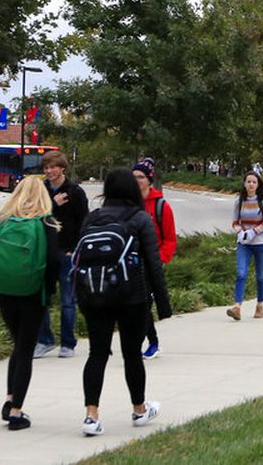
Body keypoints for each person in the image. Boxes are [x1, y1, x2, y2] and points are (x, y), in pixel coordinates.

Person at [77, 168, 171, 437]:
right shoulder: (140, 218)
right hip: (132, 296)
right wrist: (163, 305)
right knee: (132, 354)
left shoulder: (92, 218)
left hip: (94, 295)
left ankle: (91, 415)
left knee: (97, 353)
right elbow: (154, 264)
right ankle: (139, 409)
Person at [0, 175, 60, 430]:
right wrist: (49, 291)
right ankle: (16, 411)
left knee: (17, 345)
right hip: (33, 294)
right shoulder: (47, 223)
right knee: (26, 349)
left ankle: (9, 399)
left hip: (4, 292)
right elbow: (53, 263)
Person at [35, 152, 88, 359]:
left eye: (52, 167)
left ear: (62, 168)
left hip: (67, 252)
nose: (48, 171)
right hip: (44, 252)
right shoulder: (41, 191)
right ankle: (44, 340)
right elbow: (33, 217)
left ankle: (68, 343)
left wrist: (75, 248)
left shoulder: (75, 192)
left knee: (68, 300)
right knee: (41, 299)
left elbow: (84, 222)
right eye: (46, 168)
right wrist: (53, 204)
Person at [133, 159, 176, 359]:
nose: (137, 181)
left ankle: (148, 342)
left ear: (149, 180)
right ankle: (149, 340)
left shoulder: (161, 206)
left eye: (141, 177)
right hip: (131, 263)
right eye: (133, 177)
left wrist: (159, 260)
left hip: (151, 264)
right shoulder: (128, 203)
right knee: (136, 305)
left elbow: (169, 238)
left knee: (144, 304)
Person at [228, 171, 263, 320]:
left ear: (258, 184)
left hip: (261, 242)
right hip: (244, 243)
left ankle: (260, 304)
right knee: (241, 273)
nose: (251, 184)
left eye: (254, 182)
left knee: (260, 275)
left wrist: (254, 232)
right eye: (248, 181)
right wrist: (240, 232)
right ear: (244, 184)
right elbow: (234, 221)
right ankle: (237, 306)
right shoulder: (239, 201)